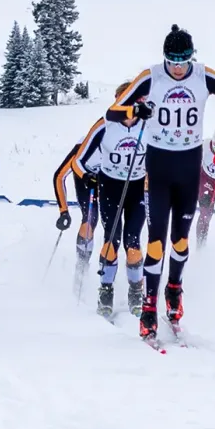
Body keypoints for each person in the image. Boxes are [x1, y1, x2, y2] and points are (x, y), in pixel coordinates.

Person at [109, 25, 215, 343]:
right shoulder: (151, 75)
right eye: (172, 60)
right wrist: (137, 109)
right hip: (159, 166)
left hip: (189, 169)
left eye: (183, 60)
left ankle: (174, 289)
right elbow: (114, 110)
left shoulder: (204, 75)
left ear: (192, 58)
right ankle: (149, 305)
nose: (177, 67)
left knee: (180, 241)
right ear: (164, 58)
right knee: (156, 241)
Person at [56, 95, 148, 318]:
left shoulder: (149, 125)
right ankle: (104, 289)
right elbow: (71, 166)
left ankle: (136, 292)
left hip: (135, 189)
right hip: (107, 188)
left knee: (133, 242)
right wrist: (85, 179)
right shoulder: (105, 125)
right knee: (109, 237)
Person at [51, 86, 128, 297]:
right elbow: (59, 176)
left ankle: (109, 279)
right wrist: (63, 210)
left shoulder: (133, 135)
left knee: (114, 229)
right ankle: (81, 272)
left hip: (111, 179)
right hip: (86, 178)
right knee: (90, 219)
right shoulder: (90, 138)